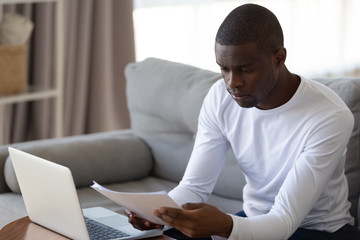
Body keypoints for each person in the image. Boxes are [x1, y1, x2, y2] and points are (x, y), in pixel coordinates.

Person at [127, 3, 360, 240]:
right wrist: (157, 215)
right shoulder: (220, 97)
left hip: (318, 231)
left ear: (279, 58)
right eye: (224, 68)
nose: (231, 83)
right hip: (255, 219)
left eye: (245, 69)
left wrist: (225, 226)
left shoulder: (329, 116)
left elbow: (284, 220)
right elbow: (194, 188)